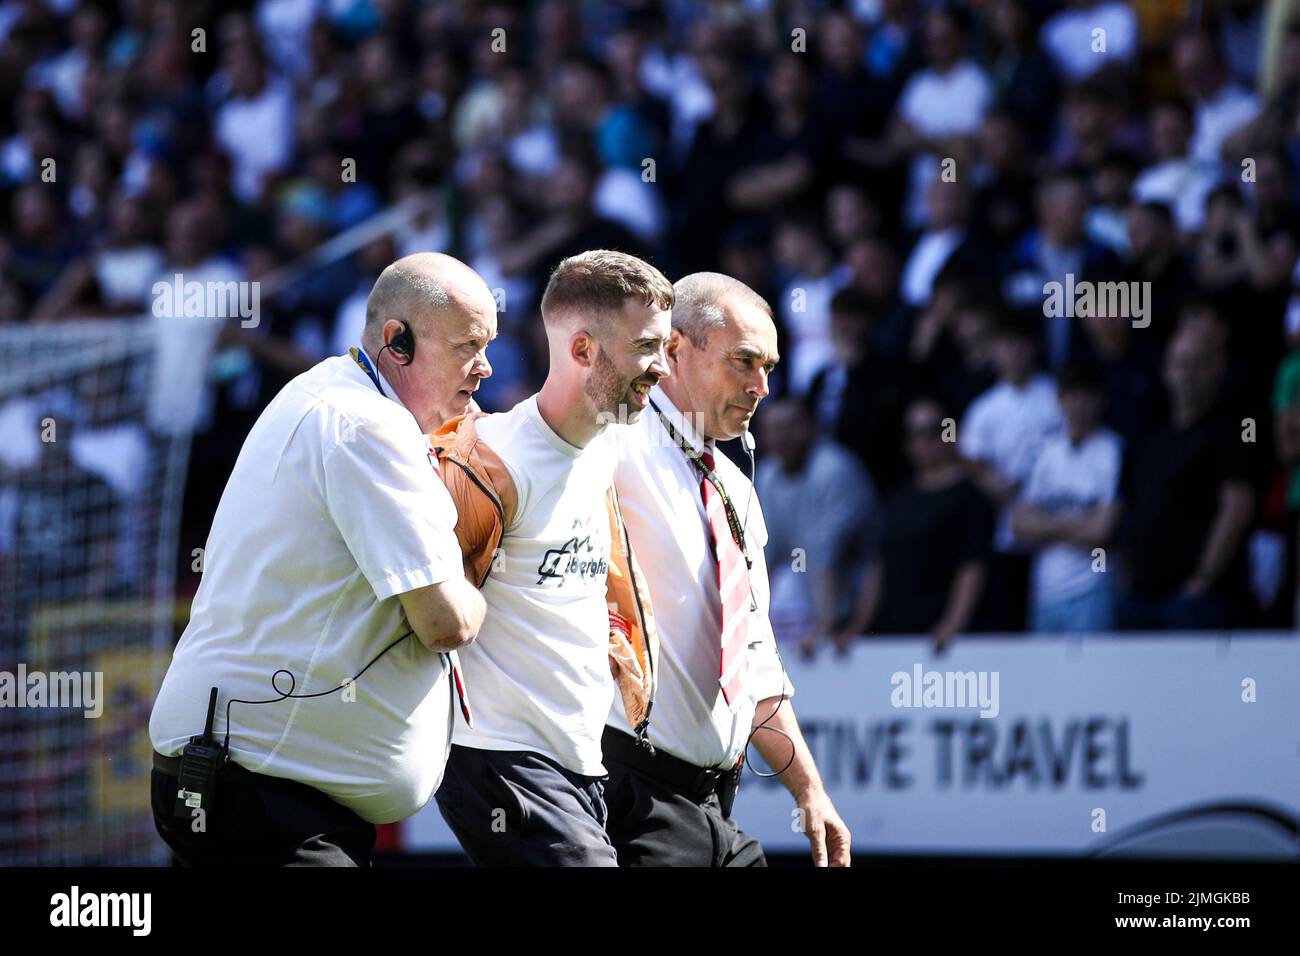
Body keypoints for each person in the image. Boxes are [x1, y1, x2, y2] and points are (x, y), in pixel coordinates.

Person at [148, 252, 493, 867]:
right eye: (468, 344)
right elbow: (448, 622)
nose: (485, 367)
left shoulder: (332, 395)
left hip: (247, 786)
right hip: (264, 797)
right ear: (398, 341)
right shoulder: (365, 423)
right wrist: (478, 568)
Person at [431, 249, 672, 866]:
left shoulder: (610, 443)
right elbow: (426, 615)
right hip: (497, 757)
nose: (660, 369)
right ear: (584, 350)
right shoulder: (489, 459)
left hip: (582, 762)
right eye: (646, 347)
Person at [602, 272, 851, 867]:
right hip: (629, 796)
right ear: (674, 350)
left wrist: (811, 792)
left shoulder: (735, 487)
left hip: (714, 806)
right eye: (744, 361)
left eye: (768, 366)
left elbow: (754, 656)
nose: (762, 386)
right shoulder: (608, 441)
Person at [837, 396, 995, 653]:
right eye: (916, 434)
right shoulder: (898, 499)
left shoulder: (971, 498)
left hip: (941, 641)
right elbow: (878, 565)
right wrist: (858, 625)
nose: (926, 441)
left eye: (934, 430)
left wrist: (953, 623)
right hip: (893, 635)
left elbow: (973, 565)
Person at [1011, 364, 1123, 632]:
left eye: (1086, 396)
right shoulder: (1047, 451)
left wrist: (1046, 526)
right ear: (1059, 400)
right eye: (1070, 396)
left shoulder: (1113, 450)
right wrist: (1077, 523)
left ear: (1100, 400)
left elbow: (1102, 530)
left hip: (1092, 588)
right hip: (1045, 591)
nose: (1078, 405)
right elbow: (1018, 525)